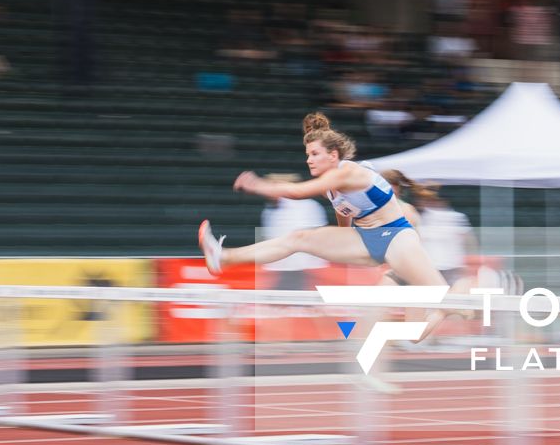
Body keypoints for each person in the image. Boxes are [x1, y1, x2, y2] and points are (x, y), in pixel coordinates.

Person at [198, 113, 463, 372]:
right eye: (307, 155)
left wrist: (258, 184)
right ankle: (223, 257)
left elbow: (296, 191)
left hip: (397, 238)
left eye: (314, 154)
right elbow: (343, 213)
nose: (309, 160)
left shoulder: (346, 172)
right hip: (367, 239)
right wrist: (340, 241)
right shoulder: (330, 185)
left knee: (422, 325)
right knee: (299, 238)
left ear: (333, 155)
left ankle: (455, 303)